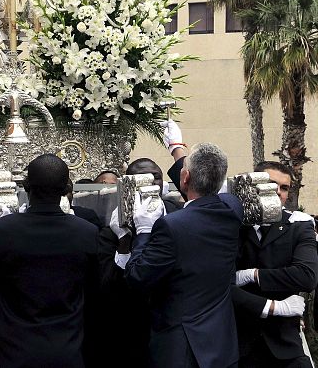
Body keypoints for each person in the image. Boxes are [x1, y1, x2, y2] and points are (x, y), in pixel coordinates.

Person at [125, 142, 243, 368]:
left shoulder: (169, 226)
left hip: (181, 350)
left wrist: (143, 231)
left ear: (185, 178)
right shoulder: (232, 209)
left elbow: (137, 277)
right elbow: (203, 194)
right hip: (222, 346)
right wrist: (177, 148)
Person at [0, 153, 99, 368]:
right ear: (66, 189)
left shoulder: (2, 230)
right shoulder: (87, 232)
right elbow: (93, 289)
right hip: (67, 347)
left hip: (14, 349)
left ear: (26, 186)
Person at [96, 157, 182, 367]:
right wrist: (124, 241)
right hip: (129, 330)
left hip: (175, 327)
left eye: (157, 178)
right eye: (143, 180)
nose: (152, 184)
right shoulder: (113, 229)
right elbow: (108, 287)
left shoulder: (180, 217)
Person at [232, 160, 318, 367]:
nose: (278, 192)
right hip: (236, 344)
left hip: (285, 346)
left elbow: (306, 277)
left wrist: (252, 275)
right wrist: (273, 306)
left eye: (284, 188)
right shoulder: (231, 225)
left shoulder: (298, 226)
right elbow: (219, 283)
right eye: (271, 184)